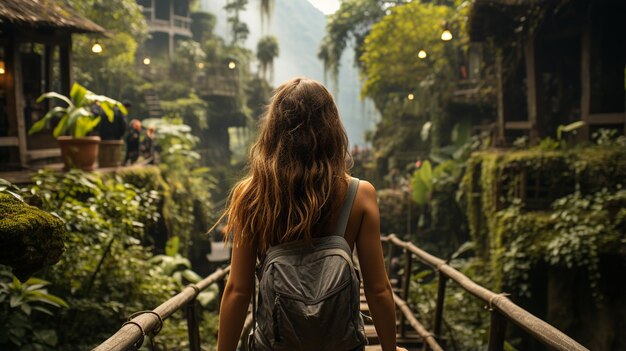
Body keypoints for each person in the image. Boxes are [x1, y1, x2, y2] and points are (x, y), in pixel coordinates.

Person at [216, 78, 406, 351]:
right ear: (332, 127)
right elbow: (378, 289)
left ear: (274, 130)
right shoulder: (359, 195)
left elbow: (238, 290)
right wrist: (390, 349)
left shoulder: (251, 195)